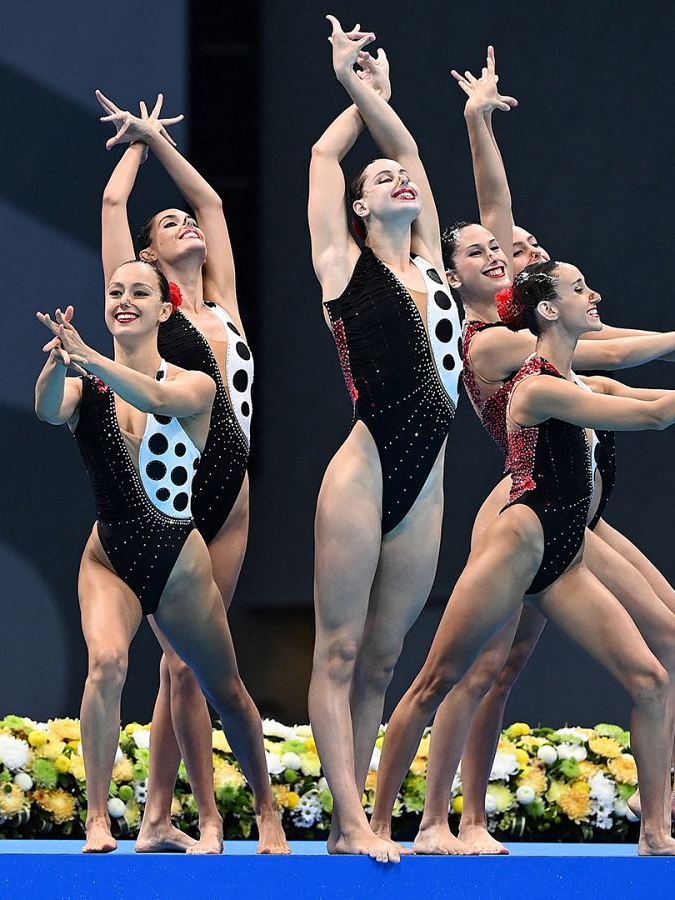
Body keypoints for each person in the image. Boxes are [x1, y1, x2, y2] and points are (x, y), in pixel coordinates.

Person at [372, 255, 675, 856]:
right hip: (515, 548)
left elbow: (654, 383)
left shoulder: (578, 382)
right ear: (550, 311)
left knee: (651, 678)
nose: (594, 293)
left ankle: (654, 832)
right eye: (580, 288)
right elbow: (657, 416)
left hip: (564, 553)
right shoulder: (538, 387)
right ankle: (377, 828)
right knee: (437, 682)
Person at [33, 263, 288, 855]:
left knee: (225, 690)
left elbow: (157, 397)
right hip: (108, 557)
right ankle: (98, 820)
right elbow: (49, 410)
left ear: (164, 310)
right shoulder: (84, 382)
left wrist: (90, 358)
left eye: (139, 293)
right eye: (115, 292)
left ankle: (266, 810)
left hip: (178, 558)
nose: (125, 300)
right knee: (106, 664)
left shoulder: (196, 383)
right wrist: (55, 366)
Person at [305, 17, 456, 862]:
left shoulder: (433, 261)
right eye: (384, 178)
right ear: (361, 207)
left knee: (385, 654)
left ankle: (344, 816)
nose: (400, 179)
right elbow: (326, 163)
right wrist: (350, 91)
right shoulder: (342, 263)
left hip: (427, 478)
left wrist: (382, 99)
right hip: (362, 472)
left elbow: (419, 162)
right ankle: (357, 820)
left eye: (404, 177)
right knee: (338, 646)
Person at [93, 91, 253, 853]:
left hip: (235, 492)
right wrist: (136, 145)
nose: (186, 224)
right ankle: (195, 815)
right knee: (176, 664)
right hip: (169, 490)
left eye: (184, 223)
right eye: (168, 227)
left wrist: (166, 142)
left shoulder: (224, 309)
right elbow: (114, 200)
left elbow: (212, 198)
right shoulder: (148, 307)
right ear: (147, 261)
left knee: (190, 667)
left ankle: (165, 814)